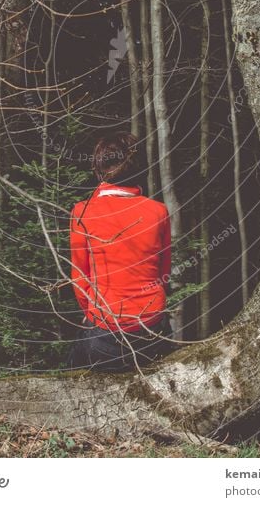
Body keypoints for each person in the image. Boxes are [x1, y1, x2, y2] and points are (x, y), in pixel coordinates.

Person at [68, 131, 174, 371]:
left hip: (105, 336)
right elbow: (163, 273)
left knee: (74, 357)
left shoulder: (82, 213)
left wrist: (92, 313)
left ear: (99, 168)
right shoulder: (158, 211)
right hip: (152, 331)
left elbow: (79, 278)